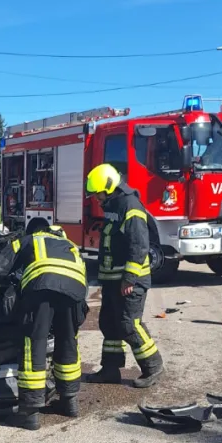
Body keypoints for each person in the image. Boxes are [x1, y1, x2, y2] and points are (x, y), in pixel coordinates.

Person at [0, 218, 88, 430]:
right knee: (68, 342)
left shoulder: (28, 240)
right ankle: (70, 402)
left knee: (35, 344)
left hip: (42, 288)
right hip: (75, 292)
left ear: (31, 231)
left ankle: (30, 413)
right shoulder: (68, 245)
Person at [85, 163, 164, 388]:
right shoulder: (115, 205)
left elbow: (138, 245)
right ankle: (110, 369)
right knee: (109, 324)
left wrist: (129, 278)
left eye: (98, 194)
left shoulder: (131, 206)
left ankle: (153, 366)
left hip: (131, 280)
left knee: (129, 324)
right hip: (113, 280)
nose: (97, 199)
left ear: (109, 188)